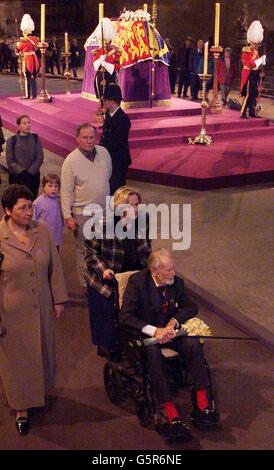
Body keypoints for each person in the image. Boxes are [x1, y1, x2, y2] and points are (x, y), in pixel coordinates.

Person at [120, 248, 220, 440]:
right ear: (154, 271)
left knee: (193, 344)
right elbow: (125, 317)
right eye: (169, 270)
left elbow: (191, 307)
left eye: (173, 268)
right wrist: (154, 331)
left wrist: (173, 322)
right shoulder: (138, 283)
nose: (173, 273)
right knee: (154, 355)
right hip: (147, 336)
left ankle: (202, 403)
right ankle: (169, 411)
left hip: (170, 332)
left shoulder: (176, 283)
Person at [0, 184, 67, 435]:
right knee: (17, 362)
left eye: (31, 206)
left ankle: (36, 394)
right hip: (11, 313)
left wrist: (58, 299)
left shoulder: (44, 230)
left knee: (40, 354)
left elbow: (55, 267)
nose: (29, 212)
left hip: (42, 309)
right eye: (22, 208)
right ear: (8, 210)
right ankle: (20, 408)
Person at [85, 186, 151, 358]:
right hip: (105, 276)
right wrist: (103, 270)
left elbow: (145, 250)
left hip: (130, 273)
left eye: (137, 205)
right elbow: (91, 253)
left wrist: (152, 266)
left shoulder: (141, 221)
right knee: (106, 314)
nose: (135, 209)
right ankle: (105, 344)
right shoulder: (101, 223)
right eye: (131, 206)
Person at [61, 123, 112, 291]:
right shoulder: (71, 161)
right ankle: (85, 284)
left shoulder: (104, 152)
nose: (89, 141)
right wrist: (67, 216)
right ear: (77, 139)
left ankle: (101, 277)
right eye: (85, 137)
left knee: (103, 246)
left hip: (104, 211)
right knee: (83, 249)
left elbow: (108, 175)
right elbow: (66, 190)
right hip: (82, 213)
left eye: (92, 137)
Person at [100, 84, 131, 195]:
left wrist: (101, 151)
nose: (103, 102)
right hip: (109, 160)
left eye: (105, 100)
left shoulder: (122, 119)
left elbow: (116, 142)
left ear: (111, 101)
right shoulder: (109, 115)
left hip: (118, 161)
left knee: (116, 192)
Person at [6, 114, 44, 198]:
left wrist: (30, 172)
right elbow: (10, 160)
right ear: (19, 126)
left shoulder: (35, 138)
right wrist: (22, 172)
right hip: (17, 177)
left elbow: (40, 157)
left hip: (33, 177)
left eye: (29, 123)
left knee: (31, 200)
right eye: (24, 123)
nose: (27, 125)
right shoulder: (12, 140)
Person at [240, 21, 266, 119]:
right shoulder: (245, 51)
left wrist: (262, 74)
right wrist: (260, 60)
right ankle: (242, 112)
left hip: (255, 75)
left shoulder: (256, 51)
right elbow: (250, 64)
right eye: (256, 44)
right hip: (248, 75)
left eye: (258, 44)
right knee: (248, 94)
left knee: (254, 94)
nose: (257, 46)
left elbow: (258, 67)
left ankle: (252, 112)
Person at [92, 18, 121, 103]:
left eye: (107, 42)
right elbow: (95, 66)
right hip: (100, 74)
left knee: (110, 95)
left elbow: (118, 66)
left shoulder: (115, 51)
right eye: (104, 42)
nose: (106, 44)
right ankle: (102, 109)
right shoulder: (98, 51)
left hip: (110, 75)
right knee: (101, 95)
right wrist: (101, 59)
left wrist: (106, 65)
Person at [33, 174, 63, 250]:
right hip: (42, 236)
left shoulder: (58, 200)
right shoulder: (38, 202)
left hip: (56, 236)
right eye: (50, 186)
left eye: (56, 186)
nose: (54, 189)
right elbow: (33, 219)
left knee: (55, 256)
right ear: (43, 187)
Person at [16, 14, 40, 99]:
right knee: (33, 77)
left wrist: (17, 45)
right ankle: (34, 95)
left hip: (27, 60)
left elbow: (17, 51)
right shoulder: (34, 39)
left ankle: (28, 95)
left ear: (25, 31)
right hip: (34, 59)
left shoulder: (23, 41)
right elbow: (37, 48)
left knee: (27, 77)